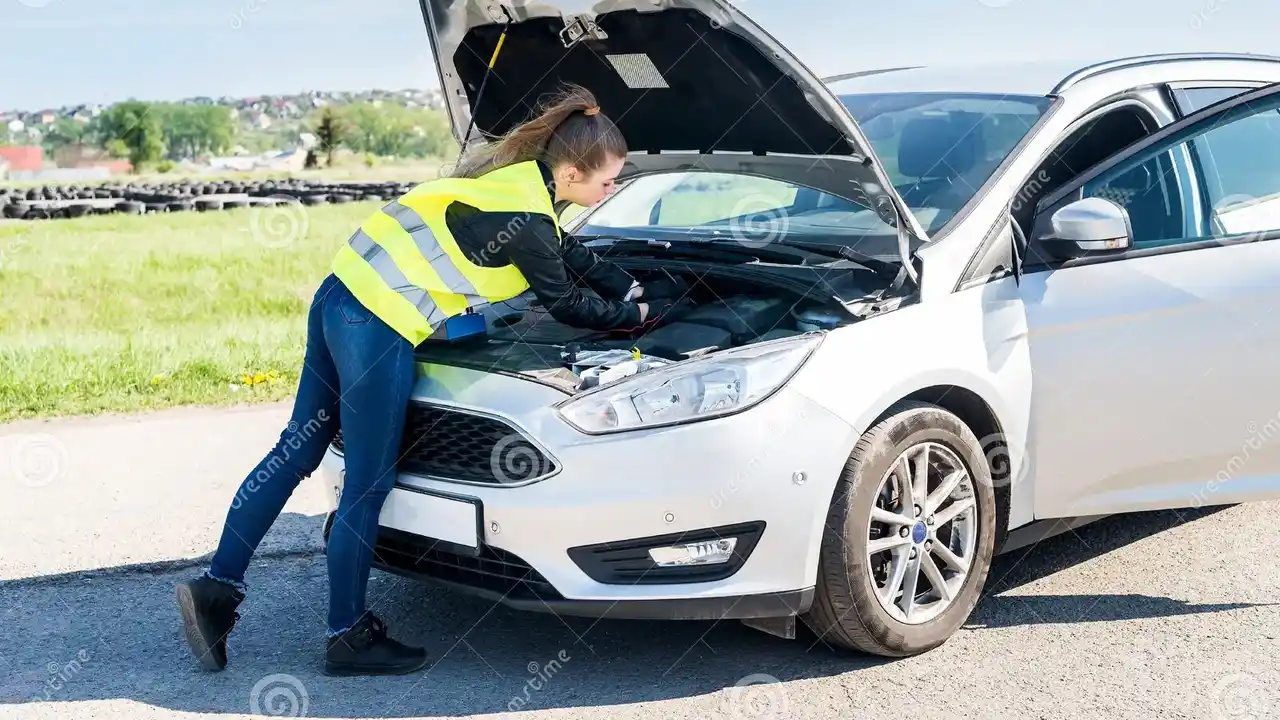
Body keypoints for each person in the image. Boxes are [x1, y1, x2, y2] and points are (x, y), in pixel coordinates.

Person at [175, 84, 692, 677]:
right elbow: (568, 302)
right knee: (368, 485)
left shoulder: (517, 184)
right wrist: (635, 317)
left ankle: (217, 589)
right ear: (574, 172)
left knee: (297, 450)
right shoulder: (525, 216)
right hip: (378, 326)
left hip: (337, 298)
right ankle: (347, 636)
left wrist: (627, 284)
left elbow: (570, 254)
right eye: (607, 184)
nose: (611, 192)